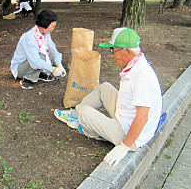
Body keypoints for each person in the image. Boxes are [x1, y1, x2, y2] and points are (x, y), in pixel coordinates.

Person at [54, 27, 162, 166]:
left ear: (127, 51)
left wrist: (124, 147)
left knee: (83, 111)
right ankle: (77, 116)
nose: (111, 55)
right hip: (126, 119)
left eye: (113, 50)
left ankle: (92, 129)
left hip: (129, 135)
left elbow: (142, 117)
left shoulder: (142, 77)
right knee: (104, 88)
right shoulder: (137, 66)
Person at [10, 10, 67, 89]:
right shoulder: (29, 37)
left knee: (51, 50)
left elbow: (54, 50)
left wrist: (59, 65)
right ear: (45, 25)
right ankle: (27, 78)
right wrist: (53, 69)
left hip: (33, 62)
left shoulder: (46, 34)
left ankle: (40, 74)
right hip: (21, 68)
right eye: (52, 26)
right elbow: (35, 62)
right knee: (41, 55)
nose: (53, 29)